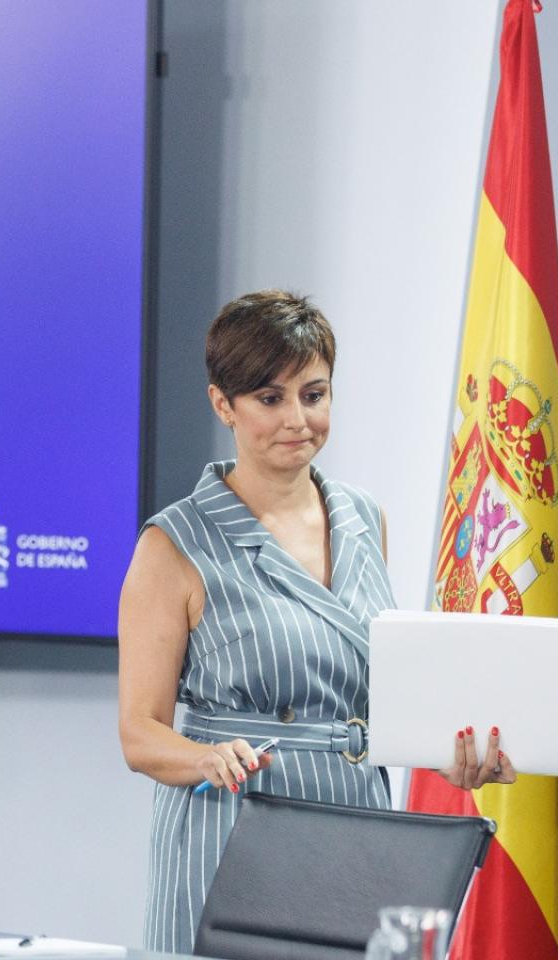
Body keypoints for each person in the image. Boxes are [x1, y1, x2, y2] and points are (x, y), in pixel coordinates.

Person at [118, 291, 514, 952]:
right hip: (231, 829)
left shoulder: (365, 518)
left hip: (353, 829)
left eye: (314, 393)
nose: (298, 418)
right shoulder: (173, 544)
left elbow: (364, 692)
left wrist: (448, 756)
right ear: (224, 406)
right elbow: (138, 733)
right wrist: (205, 756)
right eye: (270, 399)